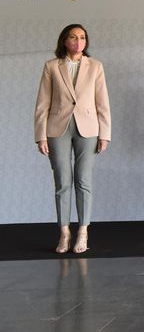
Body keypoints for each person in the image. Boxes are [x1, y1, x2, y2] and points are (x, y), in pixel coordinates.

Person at [34, 24, 111, 254]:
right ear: (64, 40)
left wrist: (105, 134)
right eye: (73, 37)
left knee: (83, 181)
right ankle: (64, 232)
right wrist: (40, 135)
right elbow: (42, 103)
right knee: (62, 183)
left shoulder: (95, 66)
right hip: (57, 128)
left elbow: (102, 102)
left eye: (82, 37)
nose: (78, 41)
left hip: (88, 128)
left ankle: (83, 232)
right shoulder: (51, 66)